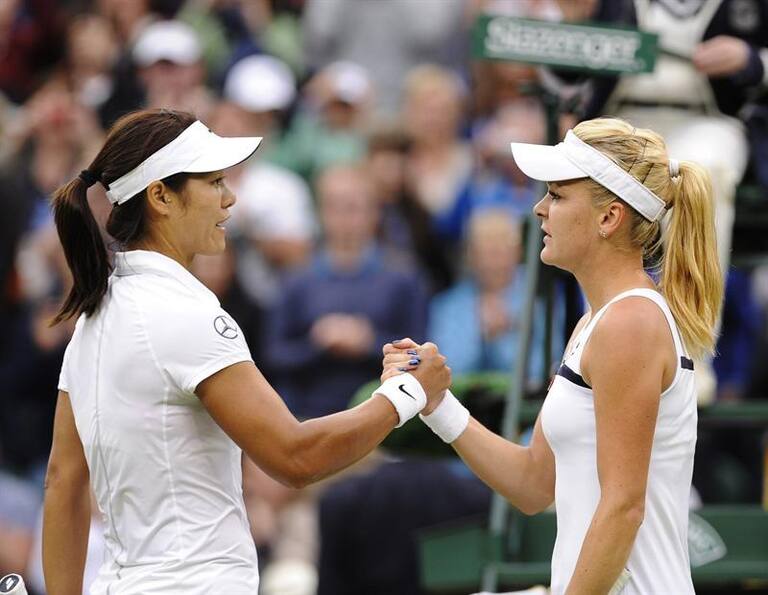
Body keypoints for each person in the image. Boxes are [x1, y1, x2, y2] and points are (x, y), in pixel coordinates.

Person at [41, 108, 451, 594]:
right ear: (160, 196)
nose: (230, 197)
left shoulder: (92, 320)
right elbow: (295, 457)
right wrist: (407, 393)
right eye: (214, 182)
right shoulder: (186, 315)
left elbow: (62, 481)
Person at [384, 117, 723, 594]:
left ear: (609, 218)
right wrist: (437, 402)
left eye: (558, 196)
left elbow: (623, 508)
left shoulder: (630, 324)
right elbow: (533, 484)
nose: (539, 209)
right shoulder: (597, 322)